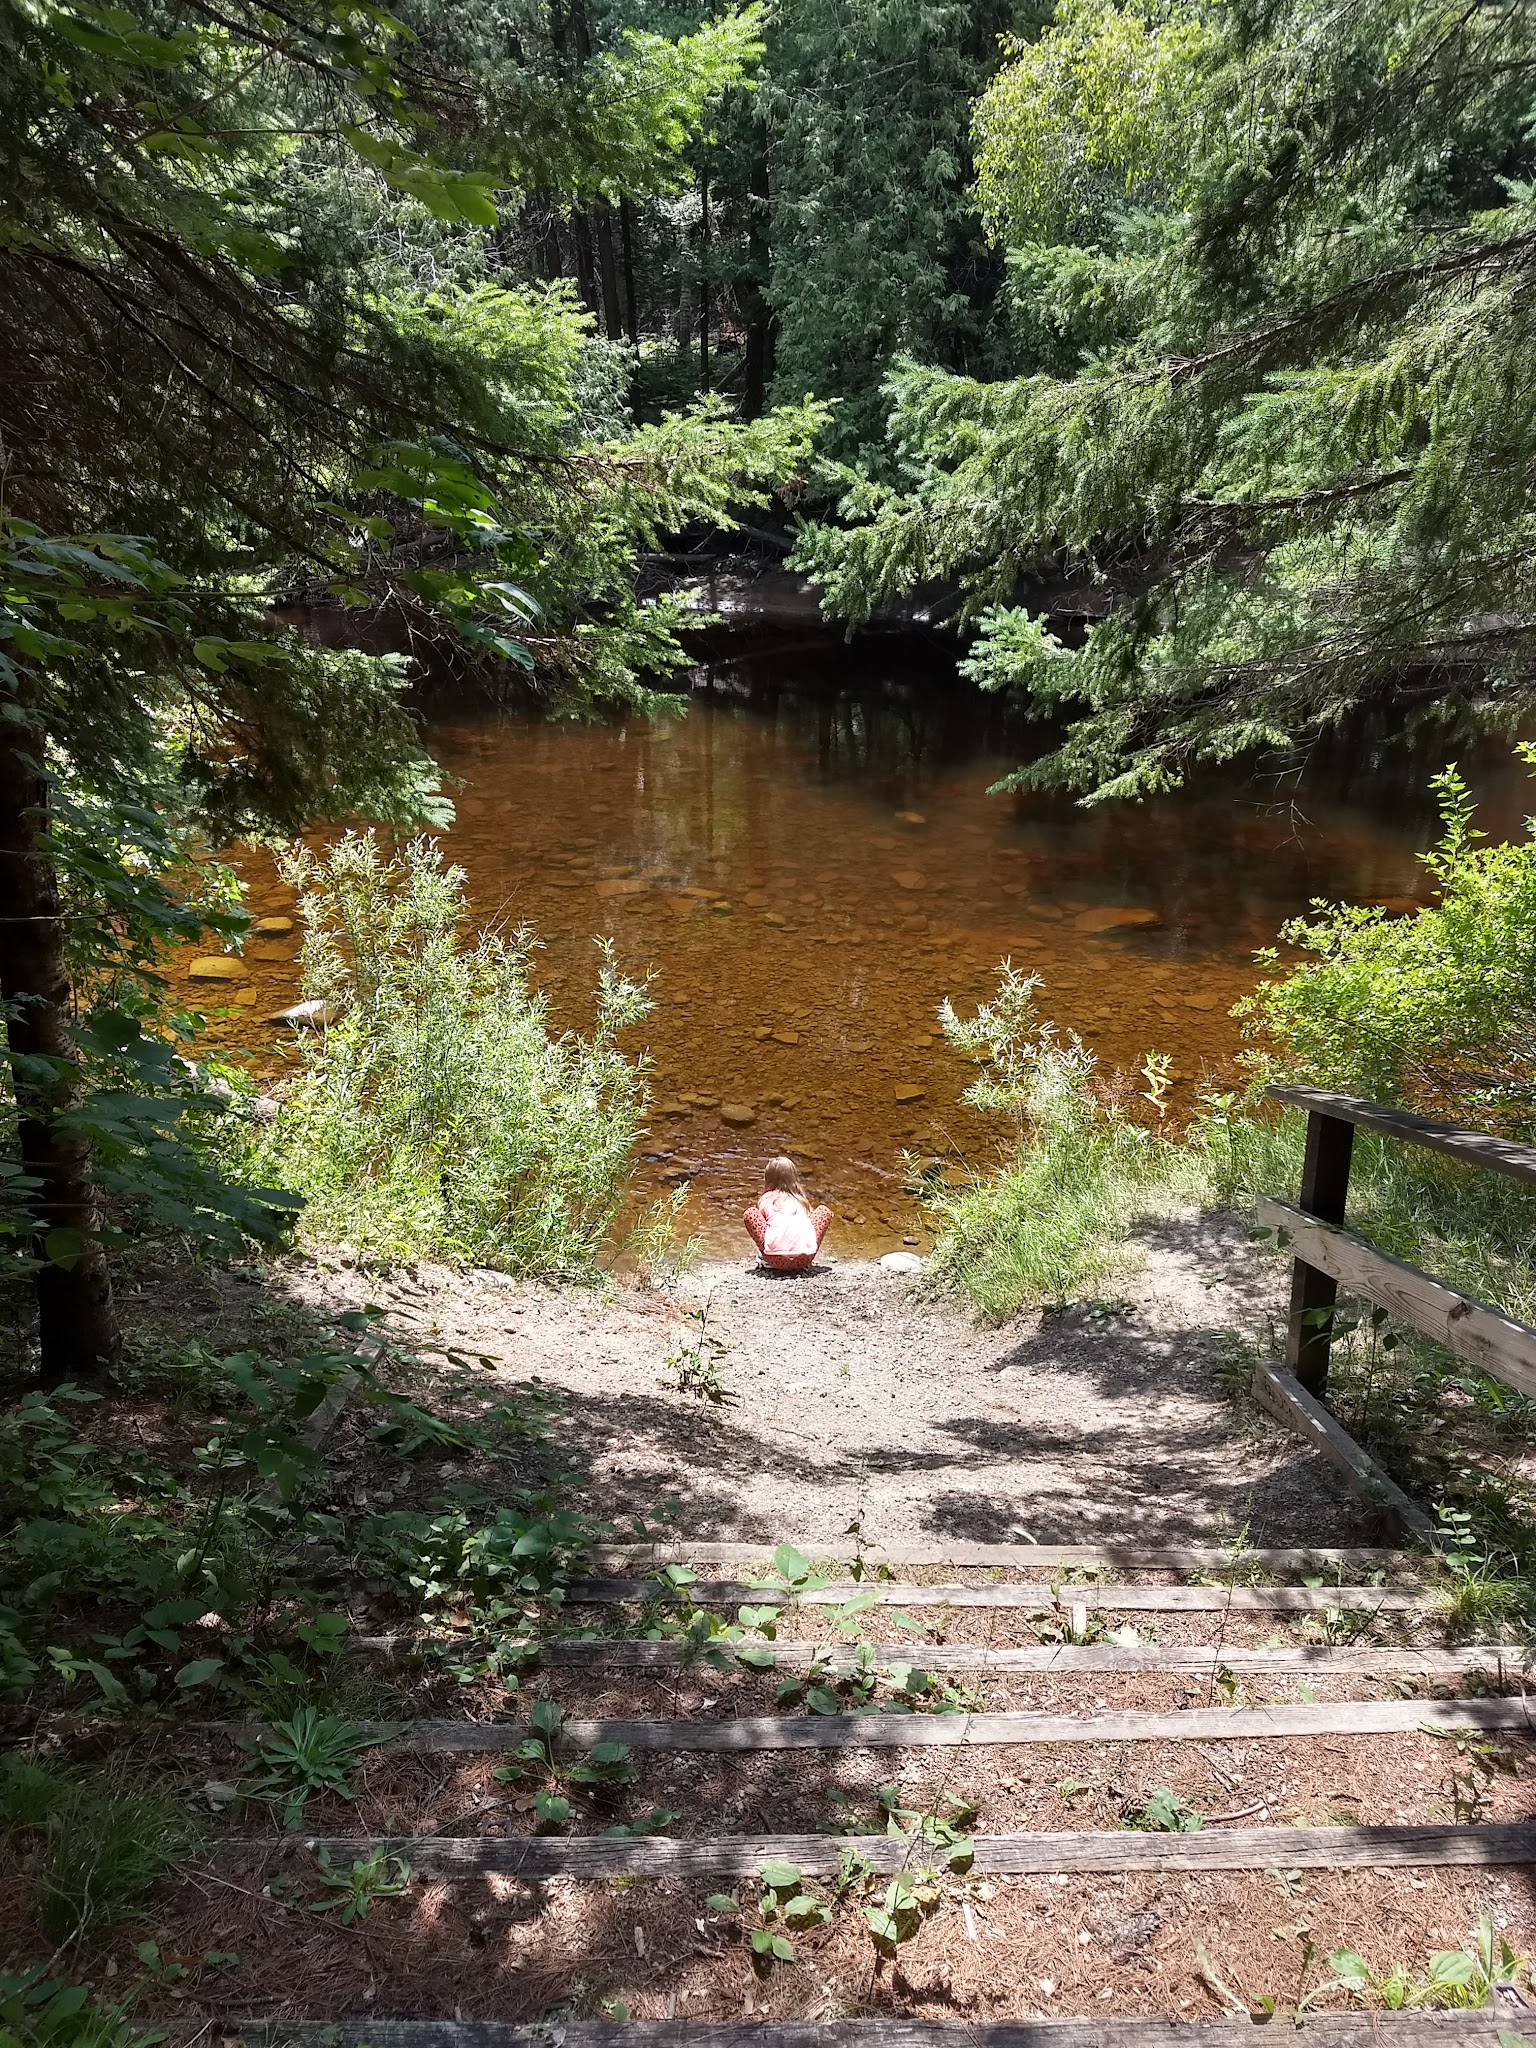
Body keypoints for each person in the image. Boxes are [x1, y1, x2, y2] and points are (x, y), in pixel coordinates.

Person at [743, 1155, 831, 1273]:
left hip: (775, 1259)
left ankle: (765, 1258)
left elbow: (764, 1227)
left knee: (751, 1213)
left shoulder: (766, 1198)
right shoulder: (801, 1200)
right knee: (823, 1211)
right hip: (805, 1258)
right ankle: (802, 1248)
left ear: (768, 1179)